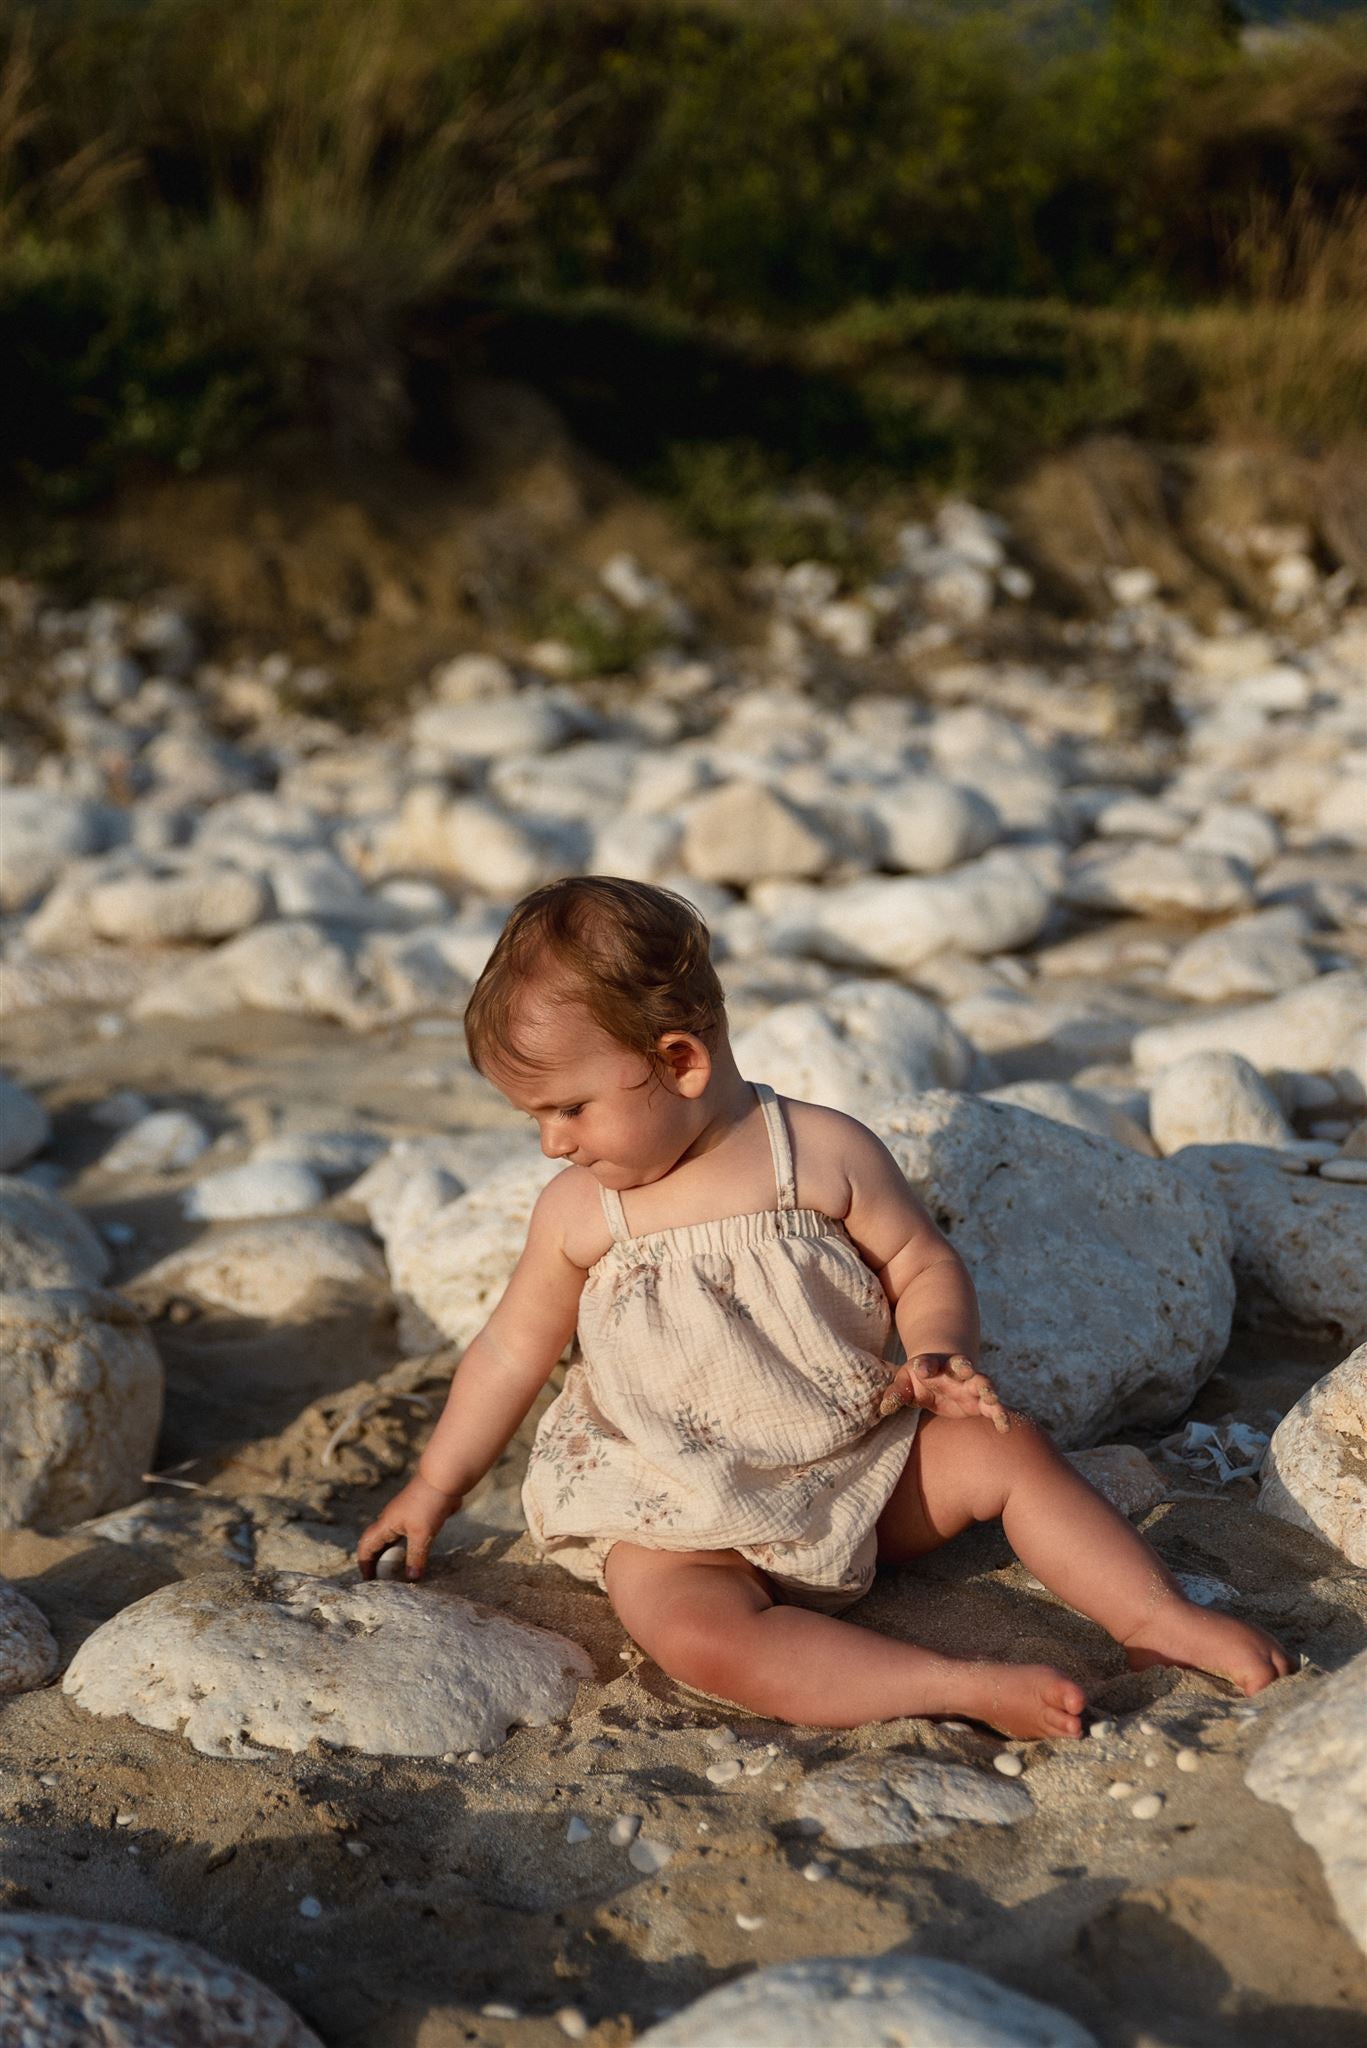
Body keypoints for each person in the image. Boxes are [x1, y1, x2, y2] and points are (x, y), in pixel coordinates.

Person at [358, 877, 1290, 1735]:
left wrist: (935, 1351)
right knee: (696, 1637)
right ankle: (953, 1687)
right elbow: (509, 1351)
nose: (551, 1145)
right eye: (534, 1118)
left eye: (567, 1109)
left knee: (1005, 1450)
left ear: (679, 1060)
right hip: (671, 1507)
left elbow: (921, 1261)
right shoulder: (579, 1213)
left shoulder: (818, 1153)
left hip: (854, 1469)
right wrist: (435, 1487)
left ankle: (1154, 1617)